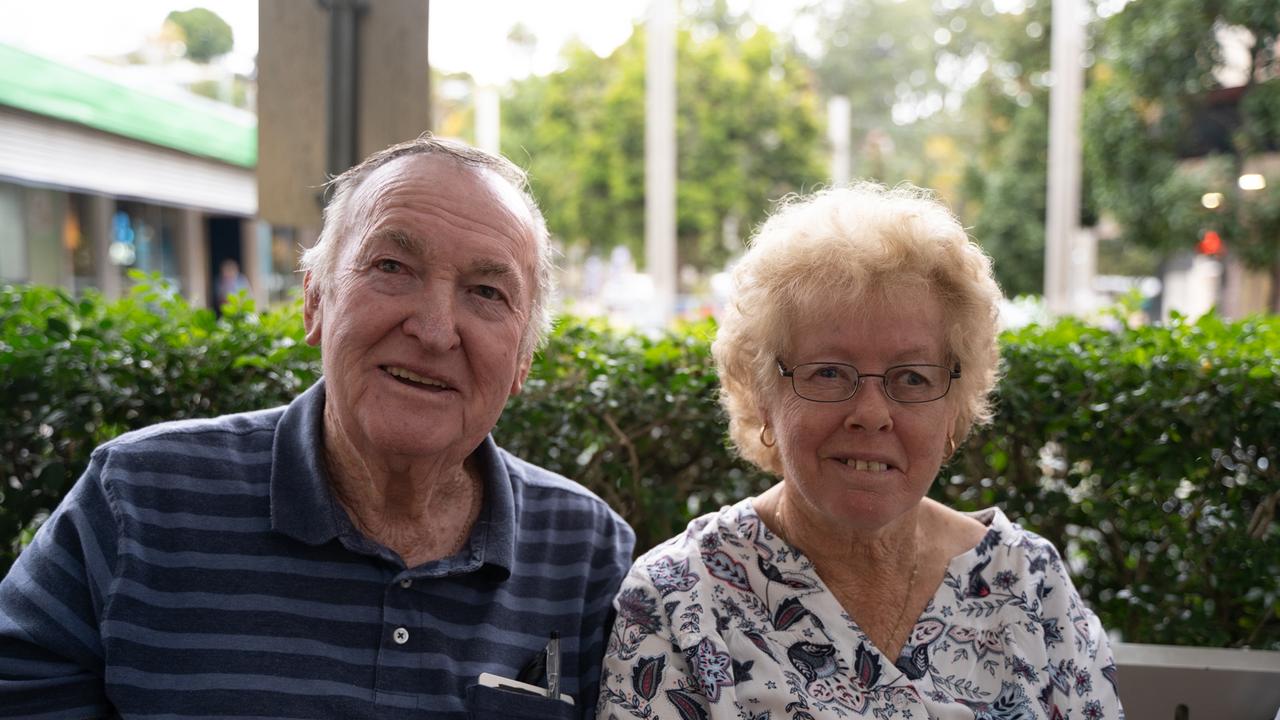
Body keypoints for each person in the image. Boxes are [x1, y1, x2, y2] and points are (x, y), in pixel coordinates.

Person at [0, 135, 635, 718]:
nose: (435, 330)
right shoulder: (140, 498)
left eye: (487, 293)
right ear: (315, 300)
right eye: (391, 266)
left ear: (522, 359)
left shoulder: (585, 553)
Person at [596, 184, 1123, 719]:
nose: (871, 413)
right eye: (828, 372)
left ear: (955, 411)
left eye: (913, 378)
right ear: (763, 397)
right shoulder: (680, 599)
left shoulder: (1030, 585)